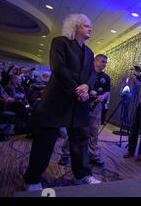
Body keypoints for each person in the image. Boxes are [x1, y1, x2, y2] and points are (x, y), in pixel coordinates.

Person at [23, 14, 100, 191]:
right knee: (45, 141)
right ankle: (32, 179)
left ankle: (82, 175)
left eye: (91, 26)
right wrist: (77, 89)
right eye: (87, 26)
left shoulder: (89, 52)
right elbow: (58, 68)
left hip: (79, 102)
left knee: (81, 140)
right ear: (75, 27)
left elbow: (92, 74)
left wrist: (86, 87)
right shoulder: (60, 42)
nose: (90, 29)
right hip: (57, 99)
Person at [59, 54, 110, 167]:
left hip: (96, 106)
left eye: (105, 62)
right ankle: (65, 155)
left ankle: (93, 156)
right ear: (95, 61)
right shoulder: (85, 72)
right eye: (102, 61)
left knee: (94, 132)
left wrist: (103, 97)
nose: (104, 64)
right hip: (82, 103)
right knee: (74, 129)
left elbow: (107, 91)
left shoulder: (106, 77)